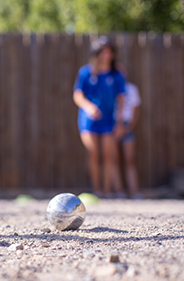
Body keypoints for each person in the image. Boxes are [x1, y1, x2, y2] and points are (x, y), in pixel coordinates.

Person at [73, 36, 126, 199]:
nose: (107, 55)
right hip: (88, 121)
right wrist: (89, 107)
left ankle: (107, 190)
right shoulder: (85, 72)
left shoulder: (117, 75)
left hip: (109, 121)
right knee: (93, 153)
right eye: (103, 51)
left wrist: (119, 122)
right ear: (96, 53)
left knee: (108, 155)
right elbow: (78, 95)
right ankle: (96, 190)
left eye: (109, 52)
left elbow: (122, 99)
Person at [116, 68, 142, 199]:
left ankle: (134, 191)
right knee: (112, 159)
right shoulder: (110, 86)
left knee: (129, 160)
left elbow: (136, 110)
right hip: (111, 126)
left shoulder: (132, 89)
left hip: (126, 125)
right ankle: (118, 192)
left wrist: (129, 127)